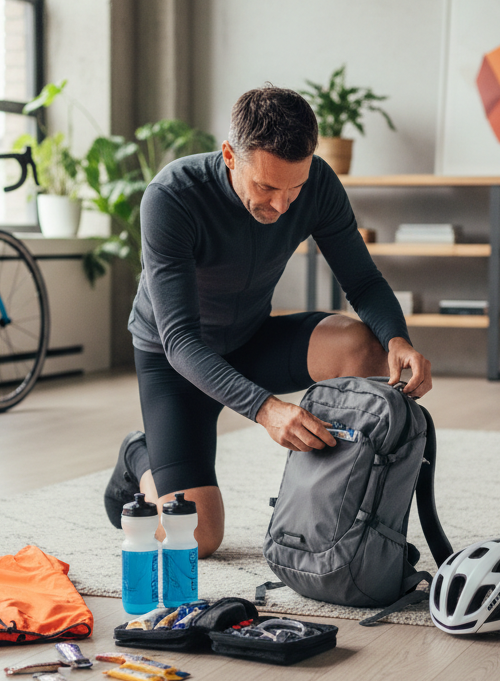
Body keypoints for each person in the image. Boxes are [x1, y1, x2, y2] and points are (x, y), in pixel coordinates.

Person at [105, 84, 432, 557]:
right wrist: (267, 409)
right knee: (198, 540)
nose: (281, 206)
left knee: (366, 348)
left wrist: (398, 339)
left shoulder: (317, 182)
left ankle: (337, 506)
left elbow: (361, 280)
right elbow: (178, 340)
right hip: (174, 363)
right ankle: (140, 454)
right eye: (266, 187)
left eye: (293, 189)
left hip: (250, 338)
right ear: (230, 156)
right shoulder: (172, 197)